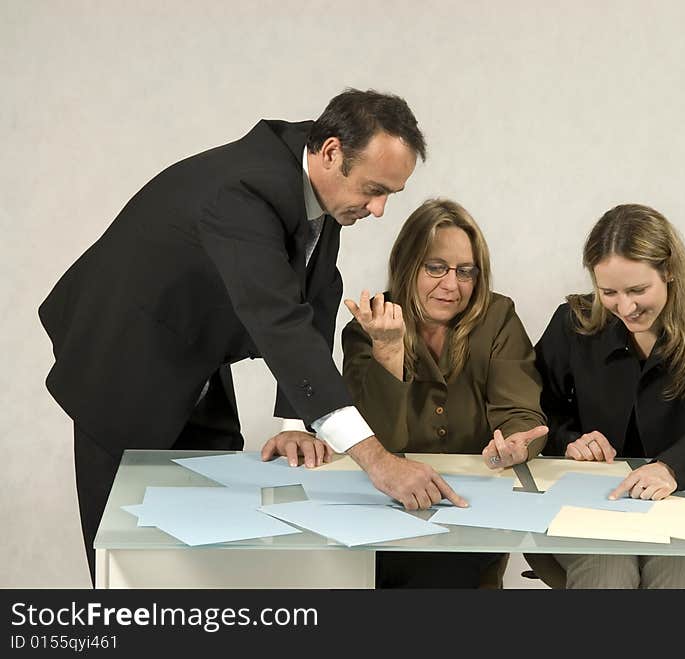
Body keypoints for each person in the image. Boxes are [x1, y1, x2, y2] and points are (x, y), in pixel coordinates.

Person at [39, 88, 467, 587]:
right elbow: (279, 320)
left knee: (214, 546)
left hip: (194, 358)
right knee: (132, 558)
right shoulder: (242, 192)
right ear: (331, 152)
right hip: (118, 365)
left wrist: (293, 419)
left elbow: (316, 295)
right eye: (375, 190)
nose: (378, 211)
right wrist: (377, 460)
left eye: (390, 194)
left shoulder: (319, 188)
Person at [529, 203, 685, 589]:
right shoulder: (573, 321)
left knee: (674, 573)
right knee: (608, 573)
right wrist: (570, 441)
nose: (626, 307)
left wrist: (671, 468)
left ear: (668, 270)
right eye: (609, 293)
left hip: (680, 499)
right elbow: (534, 405)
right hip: (588, 503)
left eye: (638, 290)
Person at [341, 198, 548, 587]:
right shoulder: (366, 326)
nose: (452, 285)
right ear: (407, 265)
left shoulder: (497, 318)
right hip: (388, 505)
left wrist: (518, 444)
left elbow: (519, 414)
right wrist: (387, 350)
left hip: (472, 507)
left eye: (466, 271)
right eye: (436, 267)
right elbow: (378, 441)